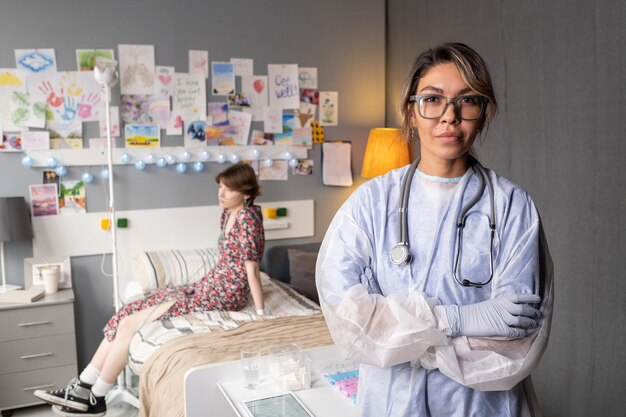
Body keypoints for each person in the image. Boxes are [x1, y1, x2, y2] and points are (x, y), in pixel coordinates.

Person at [316, 42, 553, 417]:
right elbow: (348, 319)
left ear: (483, 113)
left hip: (480, 403)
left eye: (467, 101)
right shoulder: (371, 203)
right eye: (432, 99)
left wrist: (400, 328)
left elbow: (516, 341)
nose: (449, 116)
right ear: (411, 112)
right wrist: (456, 319)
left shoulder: (512, 207)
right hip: (390, 400)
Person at [35, 162, 265, 417]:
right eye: (220, 187)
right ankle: (82, 385)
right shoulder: (228, 213)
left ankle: (96, 397)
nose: (220, 194)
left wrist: (261, 312)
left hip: (226, 293)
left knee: (133, 322)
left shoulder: (248, 218)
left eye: (228, 189)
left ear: (245, 192)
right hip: (209, 284)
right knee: (129, 310)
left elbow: (251, 270)